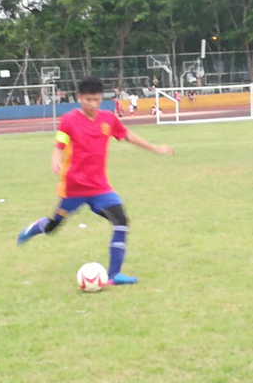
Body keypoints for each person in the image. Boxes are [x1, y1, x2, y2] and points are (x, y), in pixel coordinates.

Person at [17, 77, 174, 286]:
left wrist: (155, 148)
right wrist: (55, 159)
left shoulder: (108, 119)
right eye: (88, 100)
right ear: (79, 98)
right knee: (53, 227)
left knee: (121, 221)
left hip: (100, 188)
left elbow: (128, 136)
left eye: (97, 100)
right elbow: (60, 144)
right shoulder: (69, 120)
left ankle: (114, 275)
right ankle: (36, 227)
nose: (93, 104)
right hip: (73, 187)